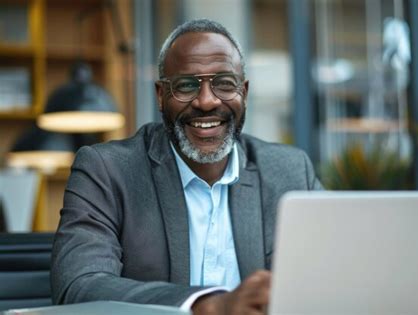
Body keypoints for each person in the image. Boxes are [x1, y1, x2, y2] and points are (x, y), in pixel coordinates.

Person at [51, 18, 323, 314]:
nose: (206, 101)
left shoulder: (289, 170)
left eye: (224, 83)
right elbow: (79, 285)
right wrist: (209, 305)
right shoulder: (107, 171)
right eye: (185, 85)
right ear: (160, 95)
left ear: (243, 92)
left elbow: (333, 272)